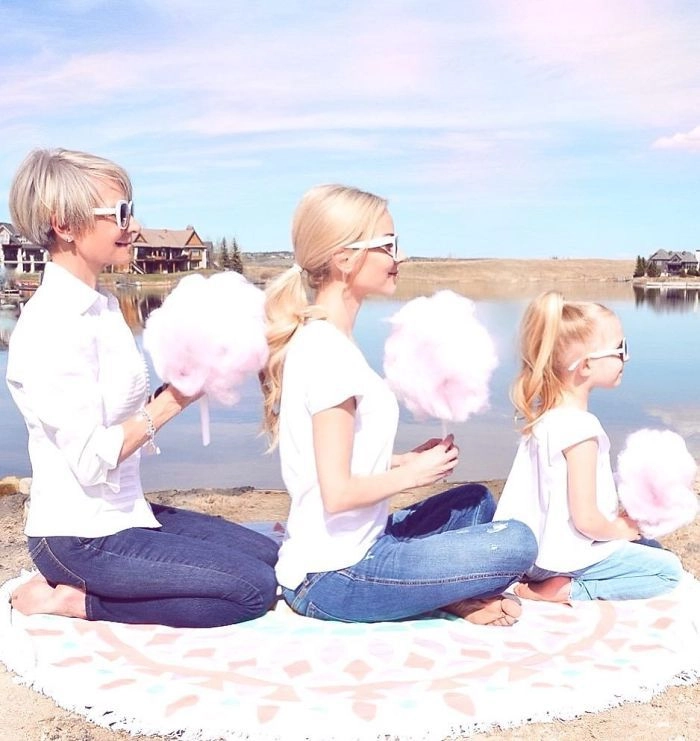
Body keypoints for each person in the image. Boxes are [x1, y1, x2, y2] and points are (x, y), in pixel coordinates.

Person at [6, 148, 278, 628]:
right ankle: (71, 602)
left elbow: (123, 417)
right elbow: (91, 459)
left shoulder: (102, 307)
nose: (134, 225)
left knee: (269, 557)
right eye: (120, 213)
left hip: (127, 514)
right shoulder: (52, 326)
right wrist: (178, 398)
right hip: (78, 537)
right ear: (63, 224)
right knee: (252, 590)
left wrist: (189, 377)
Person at [259, 184, 537, 626]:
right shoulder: (327, 353)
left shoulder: (329, 341)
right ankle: (448, 595)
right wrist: (413, 476)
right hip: (334, 575)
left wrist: (402, 460)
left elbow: (328, 458)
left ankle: (437, 592)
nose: (400, 256)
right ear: (344, 258)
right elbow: (337, 493)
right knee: (517, 542)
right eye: (388, 245)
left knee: (475, 502)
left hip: (363, 544)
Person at [495, 291, 683, 602]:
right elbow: (585, 520)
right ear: (585, 366)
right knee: (668, 570)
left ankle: (556, 581)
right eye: (621, 349)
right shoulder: (581, 430)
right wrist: (619, 529)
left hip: (531, 557)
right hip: (564, 559)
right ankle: (567, 589)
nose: (626, 358)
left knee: (648, 546)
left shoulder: (544, 419)